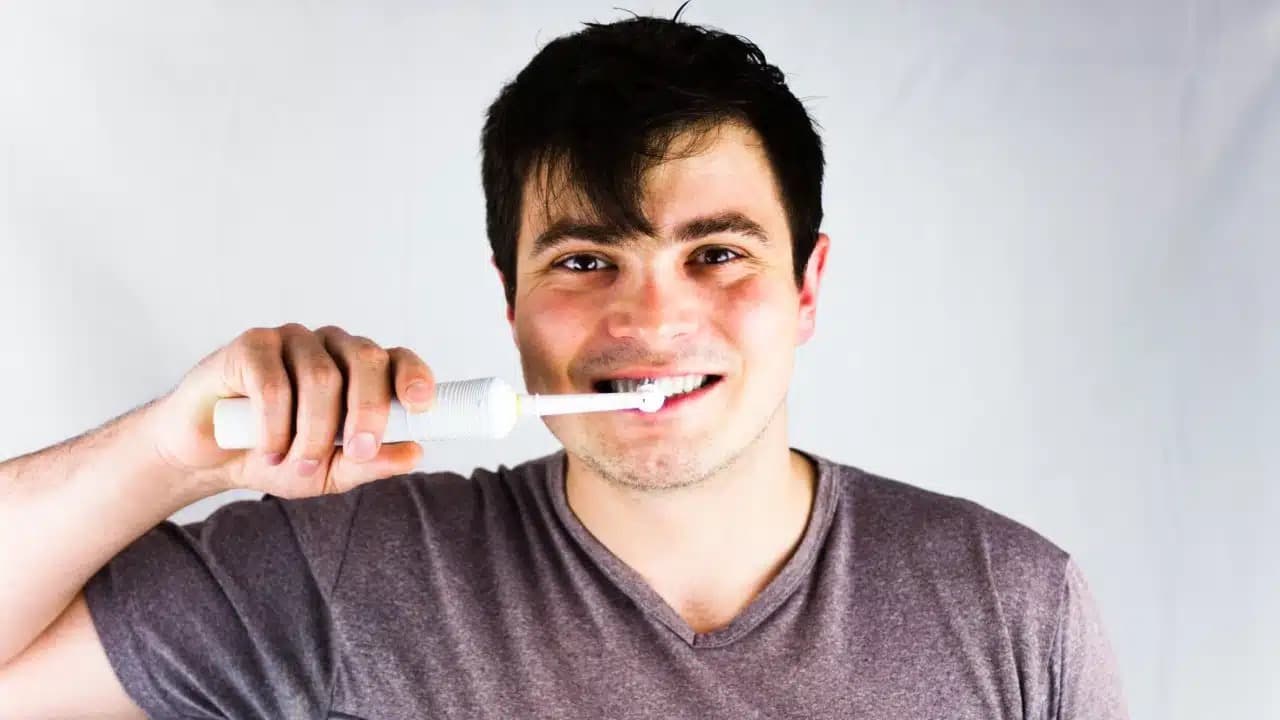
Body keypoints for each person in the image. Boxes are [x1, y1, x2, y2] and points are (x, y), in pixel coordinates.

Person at [0, 11, 1129, 719]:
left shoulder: (1011, 606)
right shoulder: (346, 571)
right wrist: (174, 449)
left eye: (716, 253)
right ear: (508, 299)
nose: (651, 315)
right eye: (587, 259)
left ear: (807, 288)